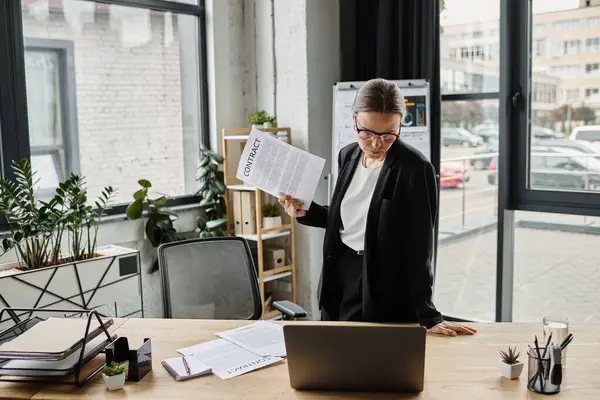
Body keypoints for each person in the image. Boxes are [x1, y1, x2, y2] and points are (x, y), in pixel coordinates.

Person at [279, 78, 475, 337]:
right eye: (367, 133)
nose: (375, 144)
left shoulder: (416, 169)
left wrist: (428, 314)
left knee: (373, 364)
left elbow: (419, 249)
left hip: (382, 283)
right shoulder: (347, 155)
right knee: (336, 355)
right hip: (339, 273)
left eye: (387, 135)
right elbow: (350, 216)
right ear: (354, 121)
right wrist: (309, 212)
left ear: (400, 125)